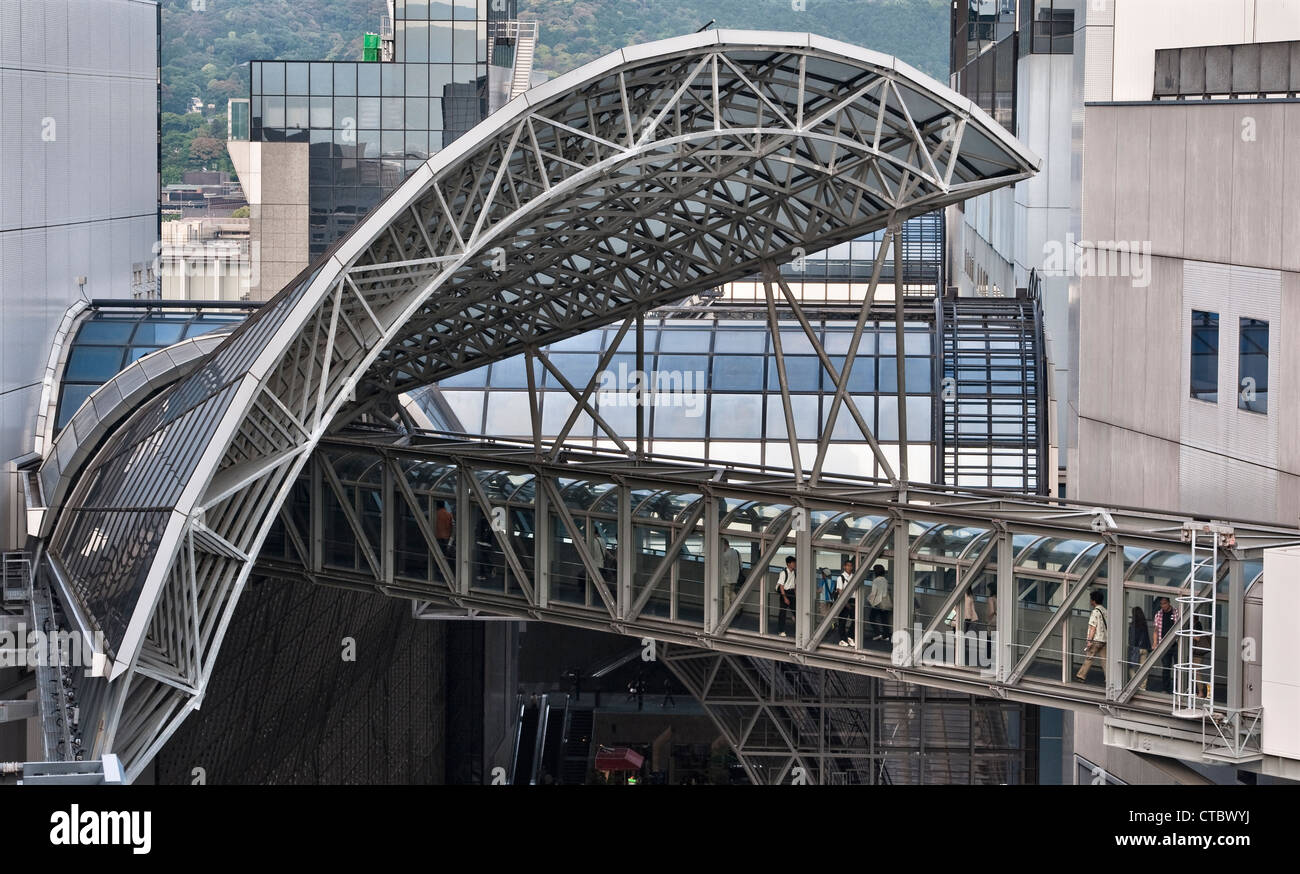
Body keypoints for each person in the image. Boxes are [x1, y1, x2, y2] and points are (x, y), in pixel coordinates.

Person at [1075, 589, 1108, 684]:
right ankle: (1109, 678)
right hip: (1104, 640)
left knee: (1089, 658)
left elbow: (1093, 627)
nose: (1090, 601)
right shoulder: (1105, 611)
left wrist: (1089, 640)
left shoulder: (1095, 612)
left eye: (1091, 599)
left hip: (1096, 640)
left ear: (1094, 601)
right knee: (1105, 661)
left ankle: (1081, 675)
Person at [1152, 596, 1179, 692]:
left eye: (1165, 603)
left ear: (1169, 603)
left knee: (1178, 667)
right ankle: (1166, 689)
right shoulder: (1158, 614)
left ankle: (1179, 689)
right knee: (1166, 668)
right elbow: (1156, 630)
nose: (1163, 606)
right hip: (1164, 644)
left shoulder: (1176, 612)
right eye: (1161, 604)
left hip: (1176, 644)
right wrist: (1155, 643)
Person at [867, 564, 892, 640]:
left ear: (875, 572)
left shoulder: (876, 580)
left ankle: (878, 633)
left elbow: (874, 593)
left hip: (878, 603)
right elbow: (887, 591)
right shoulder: (885, 580)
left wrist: (869, 599)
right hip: (885, 603)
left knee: (871, 618)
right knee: (884, 619)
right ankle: (886, 635)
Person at [1129, 606, 1151, 691]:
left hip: (1135, 649)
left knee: (1131, 668)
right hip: (1144, 648)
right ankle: (1143, 686)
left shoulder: (1132, 625)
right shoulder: (1144, 624)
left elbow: (1131, 638)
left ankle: (1135, 684)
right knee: (1143, 669)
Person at [835, 558, 856, 646]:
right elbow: (840, 591)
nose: (849, 567)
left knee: (855, 619)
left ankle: (850, 636)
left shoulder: (854, 576)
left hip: (853, 599)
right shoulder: (840, 578)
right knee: (842, 621)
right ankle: (842, 639)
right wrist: (845, 602)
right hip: (844, 600)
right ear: (844, 567)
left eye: (851, 566)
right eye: (847, 565)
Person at [774, 555, 796, 638]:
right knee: (783, 613)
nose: (794, 564)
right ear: (788, 564)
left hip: (792, 592)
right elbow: (781, 586)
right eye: (793, 562)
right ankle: (781, 630)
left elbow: (795, 584)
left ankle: (798, 628)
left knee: (796, 611)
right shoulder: (783, 573)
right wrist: (785, 597)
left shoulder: (794, 572)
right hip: (785, 593)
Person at [720, 538, 741, 612]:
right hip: (735, 578)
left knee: (726, 597)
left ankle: (726, 613)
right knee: (731, 593)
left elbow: (721, 567)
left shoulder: (725, 555)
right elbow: (741, 564)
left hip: (727, 579)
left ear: (724, 545)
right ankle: (738, 606)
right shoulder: (736, 552)